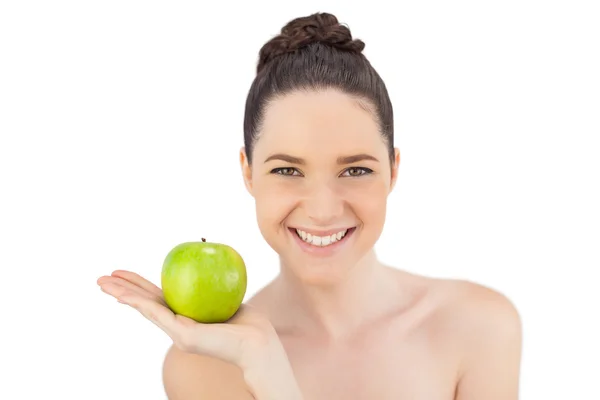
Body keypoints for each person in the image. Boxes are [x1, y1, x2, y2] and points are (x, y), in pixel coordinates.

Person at [97, 12, 522, 400]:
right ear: (248, 172)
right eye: (287, 171)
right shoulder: (204, 366)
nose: (322, 210)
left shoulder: (480, 329)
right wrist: (263, 362)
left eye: (355, 170)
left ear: (393, 170)